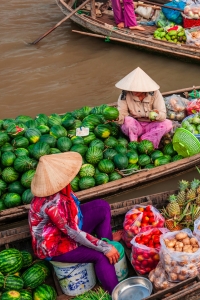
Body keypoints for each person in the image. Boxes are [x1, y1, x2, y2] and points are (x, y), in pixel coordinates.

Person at [28, 152, 121, 294]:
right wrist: (104, 248)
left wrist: (104, 243)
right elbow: (74, 233)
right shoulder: (53, 203)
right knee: (101, 256)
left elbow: (72, 220)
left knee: (101, 207)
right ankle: (117, 293)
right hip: (57, 246)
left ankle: (106, 239)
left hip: (68, 228)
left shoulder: (60, 190)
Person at [116, 67, 172, 149]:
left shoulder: (155, 94)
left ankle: (143, 140)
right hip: (135, 126)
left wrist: (157, 114)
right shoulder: (124, 95)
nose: (134, 91)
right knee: (128, 120)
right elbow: (122, 113)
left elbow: (163, 114)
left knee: (168, 124)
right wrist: (117, 117)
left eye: (137, 89)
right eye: (132, 88)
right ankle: (134, 144)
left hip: (151, 125)